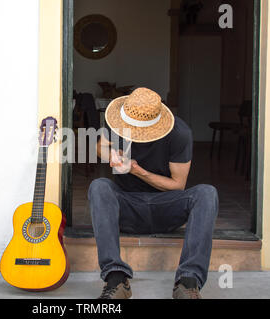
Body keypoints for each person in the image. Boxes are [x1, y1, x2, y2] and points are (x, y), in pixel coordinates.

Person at [89, 87, 218, 299]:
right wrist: (110, 154)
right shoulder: (116, 120)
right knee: (99, 186)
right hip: (127, 207)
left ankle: (188, 282)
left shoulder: (179, 133)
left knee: (207, 193)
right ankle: (116, 278)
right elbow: (99, 146)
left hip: (166, 208)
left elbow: (178, 185)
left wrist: (138, 171)